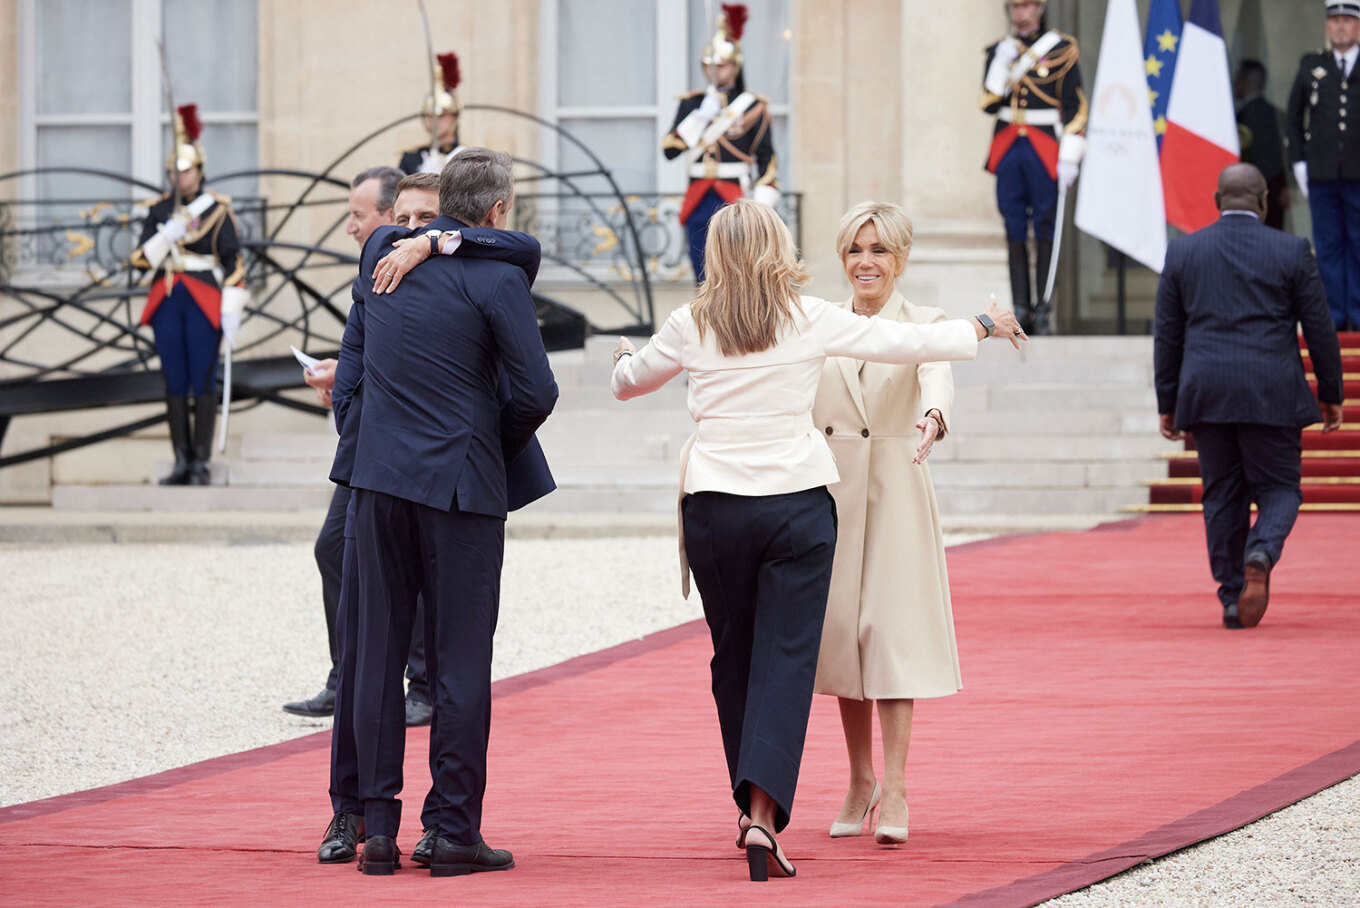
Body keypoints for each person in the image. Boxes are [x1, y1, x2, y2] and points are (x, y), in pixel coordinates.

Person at [610, 199, 1024, 881]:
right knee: (788, 660)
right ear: (779, 250)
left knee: (733, 658)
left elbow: (629, 384)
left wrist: (624, 354)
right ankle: (762, 815)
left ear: (713, 255)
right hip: (798, 509)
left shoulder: (690, 322)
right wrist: (980, 322)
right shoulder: (808, 316)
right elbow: (907, 343)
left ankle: (752, 802)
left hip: (714, 508)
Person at [315, 166, 548, 869]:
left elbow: (349, 376)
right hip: (461, 491)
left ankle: (377, 832)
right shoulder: (501, 278)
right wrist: (486, 440)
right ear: (500, 209)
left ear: (442, 213)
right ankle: (450, 830)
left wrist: (434, 241)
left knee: (375, 656)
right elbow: (538, 390)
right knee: (458, 665)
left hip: (378, 484)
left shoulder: (381, 250)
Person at [810, 202, 961, 847]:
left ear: (900, 257)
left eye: (878, 250)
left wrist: (933, 416)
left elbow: (937, 373)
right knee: (844, 632)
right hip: (833, 492)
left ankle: (896, 786)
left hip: (898, 486)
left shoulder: (927, 323)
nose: (865, 262)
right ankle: (859, 778)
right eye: (854, 250)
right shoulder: (816, 320)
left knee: (891, 634)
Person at [1154, 164, 1344, 630]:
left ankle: (1232, 597)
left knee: (1221, 495)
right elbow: (1319, 327)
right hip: (1272, 390)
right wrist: (1331, 391)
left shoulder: (1182, 253)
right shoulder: (1292, 250)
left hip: (1207, 392)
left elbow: (1167, 335)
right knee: (1280, 488)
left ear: (1218, 201)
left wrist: (1168, 401)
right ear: (1262, 202)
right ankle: (1261, 551)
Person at [284, 165, 435, 727]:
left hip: (401, 441)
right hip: (366, 438)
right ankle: (347, 675)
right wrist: (340, 377)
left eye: (358, 215)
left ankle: (421, 683)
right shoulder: (374, 267)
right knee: (336, 550)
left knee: (408, 559)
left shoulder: (421, 269)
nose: (350, 227)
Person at [130, 104, 246, 486]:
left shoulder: (216, 209)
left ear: (199, 170)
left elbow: (233, 262)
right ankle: (181, 459)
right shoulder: (160, 209)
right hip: (167, 297)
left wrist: (230, 308)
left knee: (204, 379)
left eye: (188, 169)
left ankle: (201, 462)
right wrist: (167, 234)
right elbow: (140, 260)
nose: (181, 176)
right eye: (176, 171)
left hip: (203, 297)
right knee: (174, 379)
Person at [980, 0, 1086, 335]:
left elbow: (1075, 106)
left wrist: (1070, 152)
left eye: (1026, 6)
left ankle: (1043, 309)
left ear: (1039, 9)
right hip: (1010, 146)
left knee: (1044, 228)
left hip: (1044, 147)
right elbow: (988, 102)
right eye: (1014, 6)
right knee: (1013, 226)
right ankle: (1021, 307)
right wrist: (1000, 64)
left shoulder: (1062, 49)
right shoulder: (1000, 49)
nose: (1019, 13)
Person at [662, 3, 778, 283]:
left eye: (721, 65)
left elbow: (767, 159)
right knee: (701, 271)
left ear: (735, 66)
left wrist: (761, 206)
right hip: (699, 195)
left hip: (736, 194)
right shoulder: (692, 103)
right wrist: (700, 117)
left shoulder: (753, 106)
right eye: (708, 65)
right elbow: (670, 149)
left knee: (738, 270)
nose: (713, 71)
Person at [1287, 1, 1360, 330]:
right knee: (1328, 247)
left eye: (1347, 20)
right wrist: (1299, 162)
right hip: (1322, 175)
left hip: (1359, 175)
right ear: (1327, 26)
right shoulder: (1311, 64)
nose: (1341, 26)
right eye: (1335, 21)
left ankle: (1357, 317)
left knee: (1359, 245)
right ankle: (1334, 318)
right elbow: (1293, 117)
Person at [1235, 60, 1290, 230]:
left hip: (1245, 195)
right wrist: (1287, 187)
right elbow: (1290, 154)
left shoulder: (1238, 119)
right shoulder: (1280, 116)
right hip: (1276, 194)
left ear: (1244, 82)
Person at [399, 52, 464, 175]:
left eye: (442, 115)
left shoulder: (466, 158)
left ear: (455, 117)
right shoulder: (411, 159)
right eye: (430, 115)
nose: (435, 121)